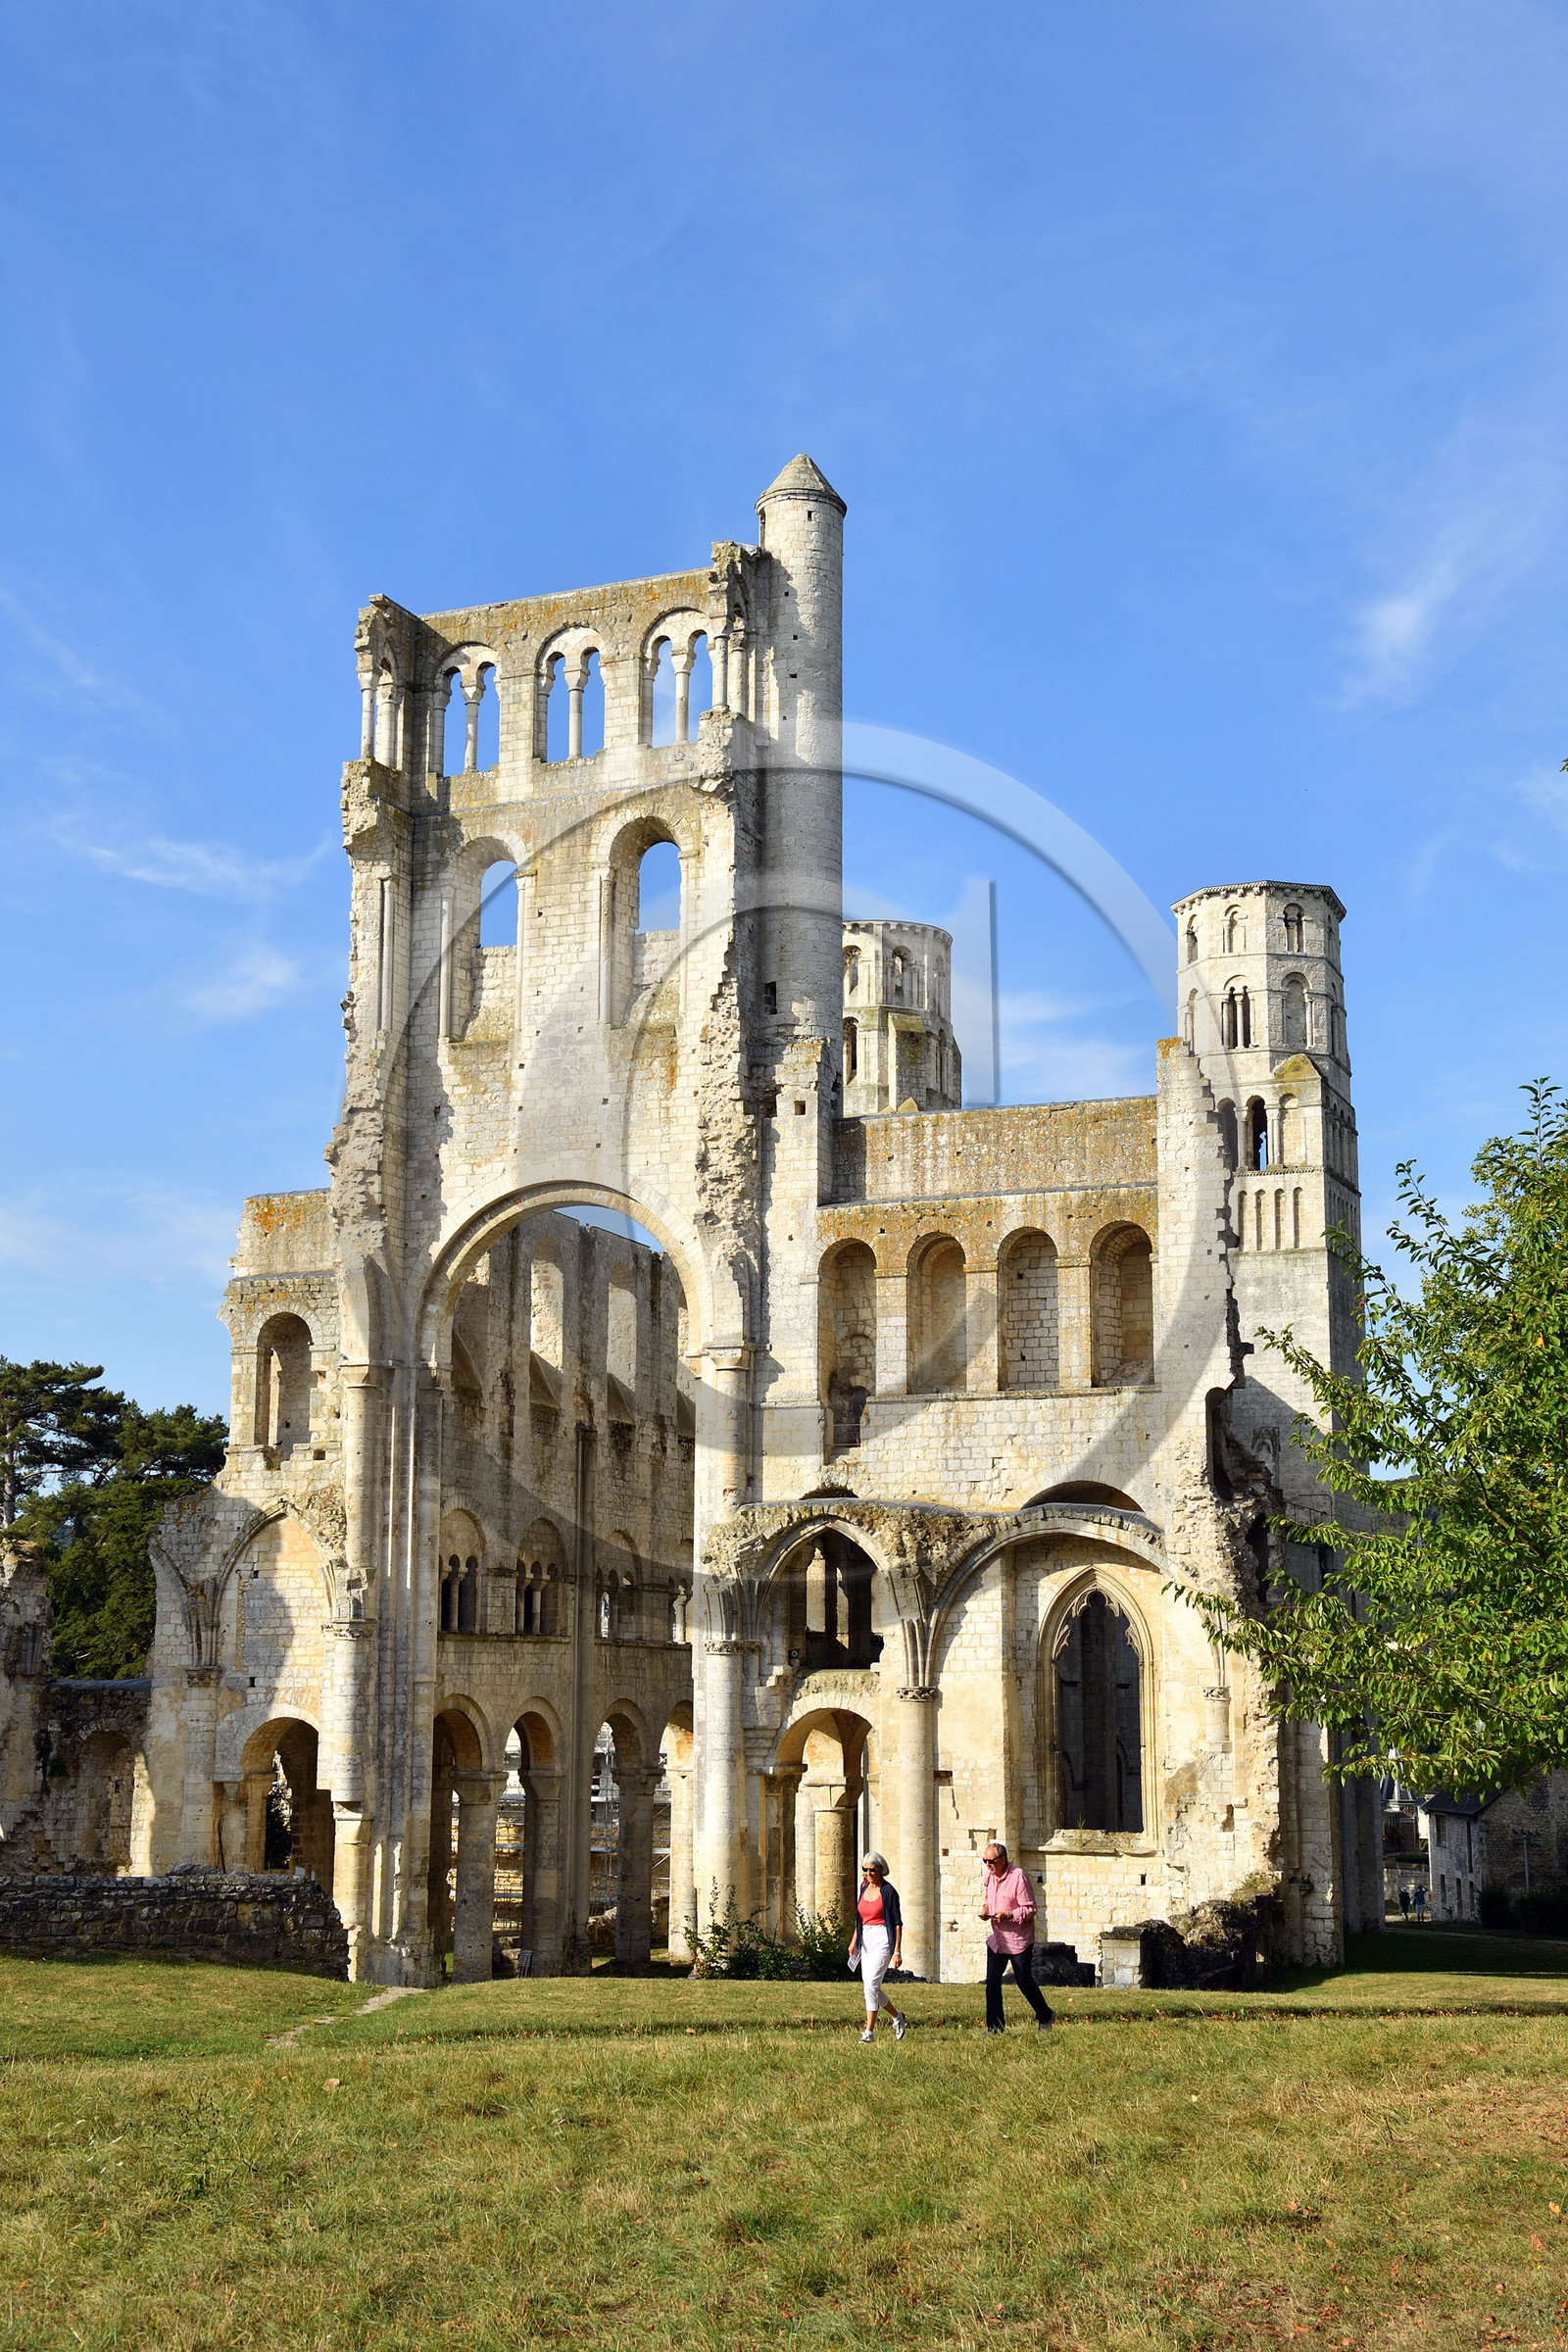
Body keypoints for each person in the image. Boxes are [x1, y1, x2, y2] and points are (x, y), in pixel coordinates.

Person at [980, 1840, 1054, 2034]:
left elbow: (1030, 1909)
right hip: (997, 1940)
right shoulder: (989, 1876)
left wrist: (1009, 1915)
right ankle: (994, 2028)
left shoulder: (1018, 1877)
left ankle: (1045, 2015)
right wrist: (986, 1909)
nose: (988, 1865)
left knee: (1024, 1982)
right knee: (992, 1984)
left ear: (1003, 1859)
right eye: (985, 1861)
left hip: (1018, 1940)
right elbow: (988, 1899)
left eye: (991, 1861)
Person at [847, 1851, 907, 2042]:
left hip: (883, 1937)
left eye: (872, 1869)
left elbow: (897, 1922)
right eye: (865, 1869)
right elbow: (860, 1918)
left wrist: (897, 1950)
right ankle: (897, 2017)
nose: (868, 1873)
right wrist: (853, 1941)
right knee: (871, 1986)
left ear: (880, 1870)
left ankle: (869, 2031)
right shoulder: (863, 1887)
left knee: (872, 1984)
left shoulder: (888, 1891)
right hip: (866, 1937)